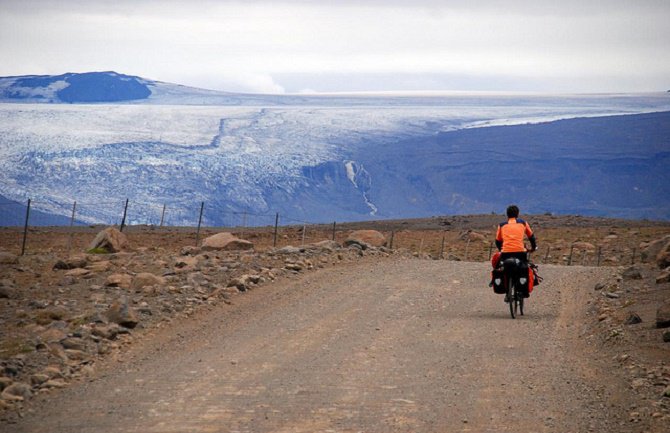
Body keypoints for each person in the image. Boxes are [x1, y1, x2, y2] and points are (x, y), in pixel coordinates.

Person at [495, 205, 537, 298]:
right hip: (520, 252)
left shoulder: (502, 225)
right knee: (524, 267)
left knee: (503, 268)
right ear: (517, 214)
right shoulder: (523, 223)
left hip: (505, 253)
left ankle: (507, 292)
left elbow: (497, 241)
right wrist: (533, 248)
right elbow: (531, 237)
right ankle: (523, 290)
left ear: (507, 214)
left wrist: (501, 249)